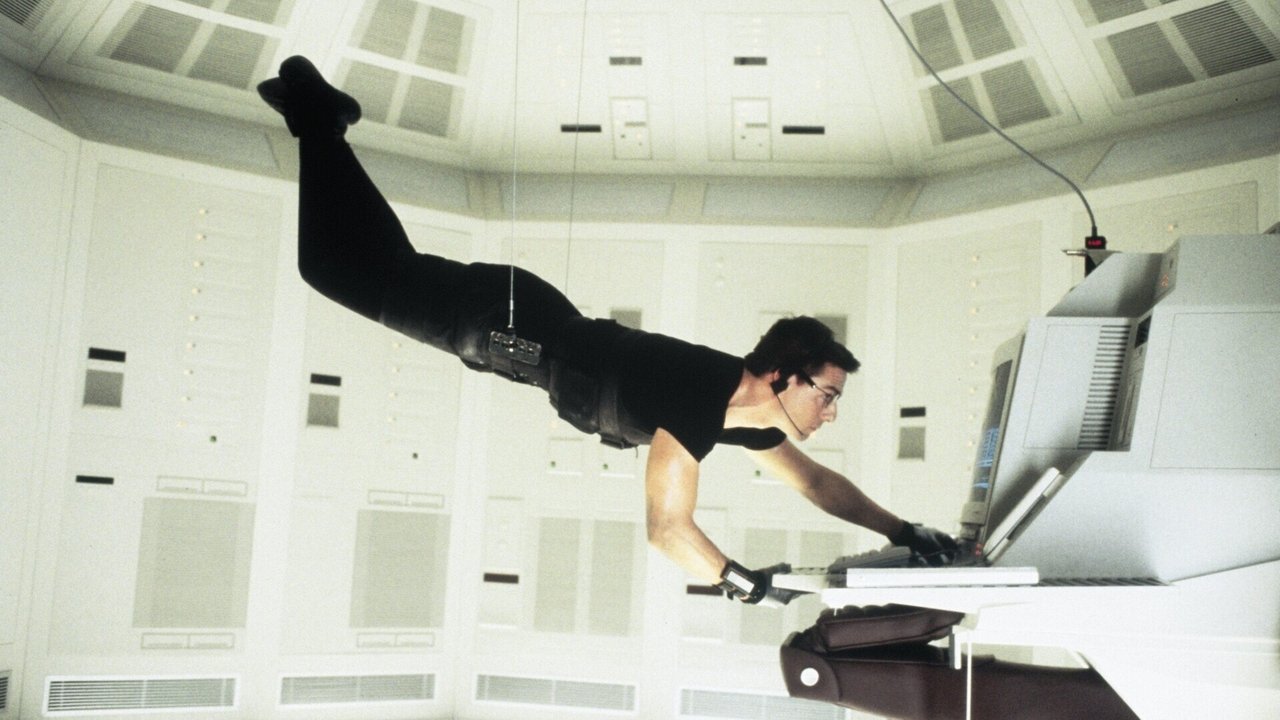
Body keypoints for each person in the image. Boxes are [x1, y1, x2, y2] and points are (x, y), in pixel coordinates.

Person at [258, 56, 956, 606]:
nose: (830, 412)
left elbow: (818, 485)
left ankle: (320, 119)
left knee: (376, 266)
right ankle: (318, 119)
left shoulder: (744, 420)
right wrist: (741, 582)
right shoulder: (703, 396)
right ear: (782, 375)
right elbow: (667, 529)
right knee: (333, 267)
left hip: (511, 326)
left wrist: (903, 531)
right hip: (497, 322)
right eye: (827, 394)